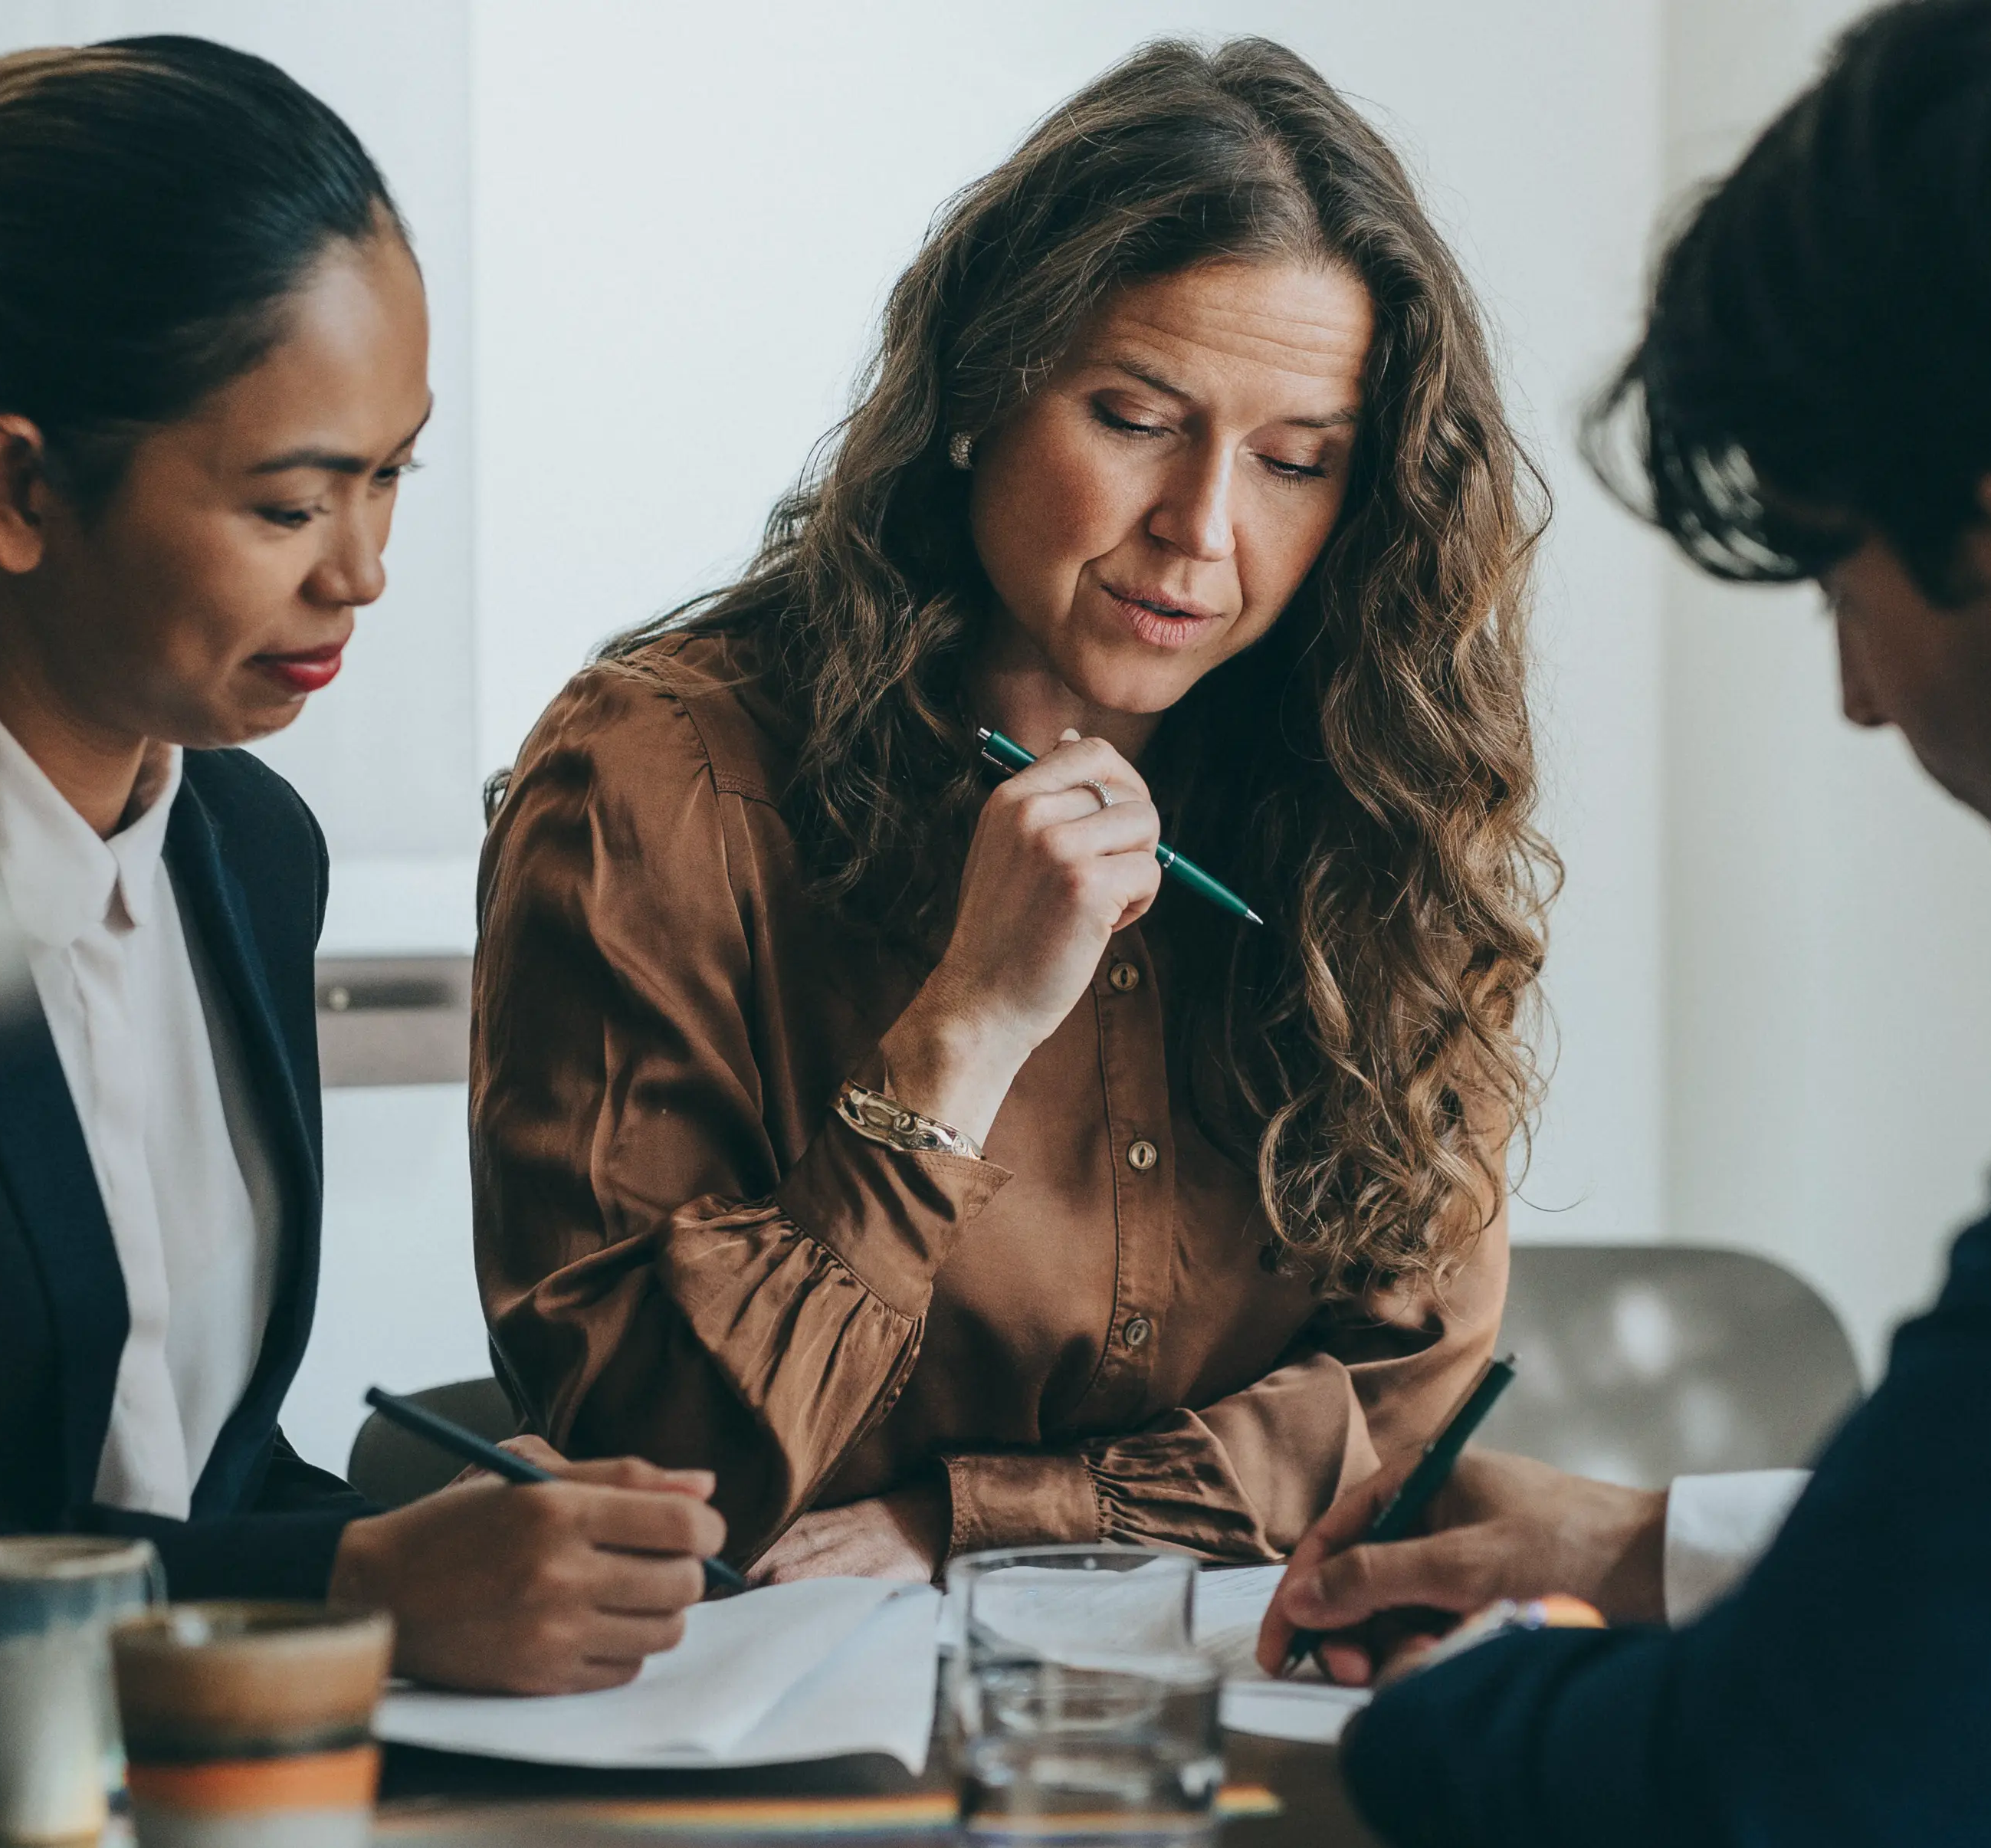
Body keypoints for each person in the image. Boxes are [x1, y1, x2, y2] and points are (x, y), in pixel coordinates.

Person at [1254, 1, 1991, 1842]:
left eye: (1837, 584)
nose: (1860, 703)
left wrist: (1433, 1717)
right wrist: (1651, 1544)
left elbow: (1842, 1767)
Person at [0, 37, 723, 1695]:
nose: (367, 570)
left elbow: (191, 1482)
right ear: (19, 485)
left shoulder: (250, 848)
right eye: (292, 504)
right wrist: (355, 1583)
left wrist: (500, 1558)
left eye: (393, 473)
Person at [468, 38, 1549, 1584]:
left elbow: (1406, 1395)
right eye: (1132, 418)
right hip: (762, 1716)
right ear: (979, 389)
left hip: (1226, 1696)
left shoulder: (1377, 789)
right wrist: (964, 1028)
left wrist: (963, 1521)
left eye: (1296, 461)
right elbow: (650, 1451)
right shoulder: (660, 775)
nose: (1201, 530)